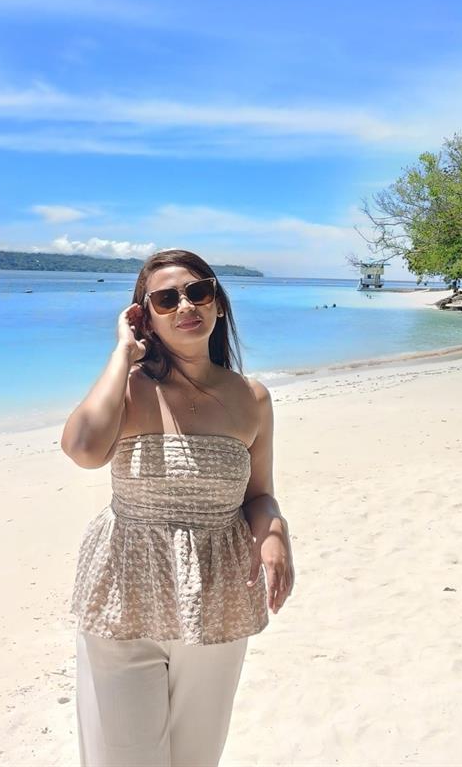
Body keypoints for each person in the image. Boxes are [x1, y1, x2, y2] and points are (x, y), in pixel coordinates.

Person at [61, 248, 295, 767]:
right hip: (126, 588)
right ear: (145, 317)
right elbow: (83, 449)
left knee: (195, 755)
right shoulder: (128, 387)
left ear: (218, 303)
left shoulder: (252, 397)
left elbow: (259, 495)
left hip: (218, 593)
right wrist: (123, 353)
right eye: (166, 299)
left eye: (198, 291)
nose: (186, 305)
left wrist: (275, 535)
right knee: (122, 757)